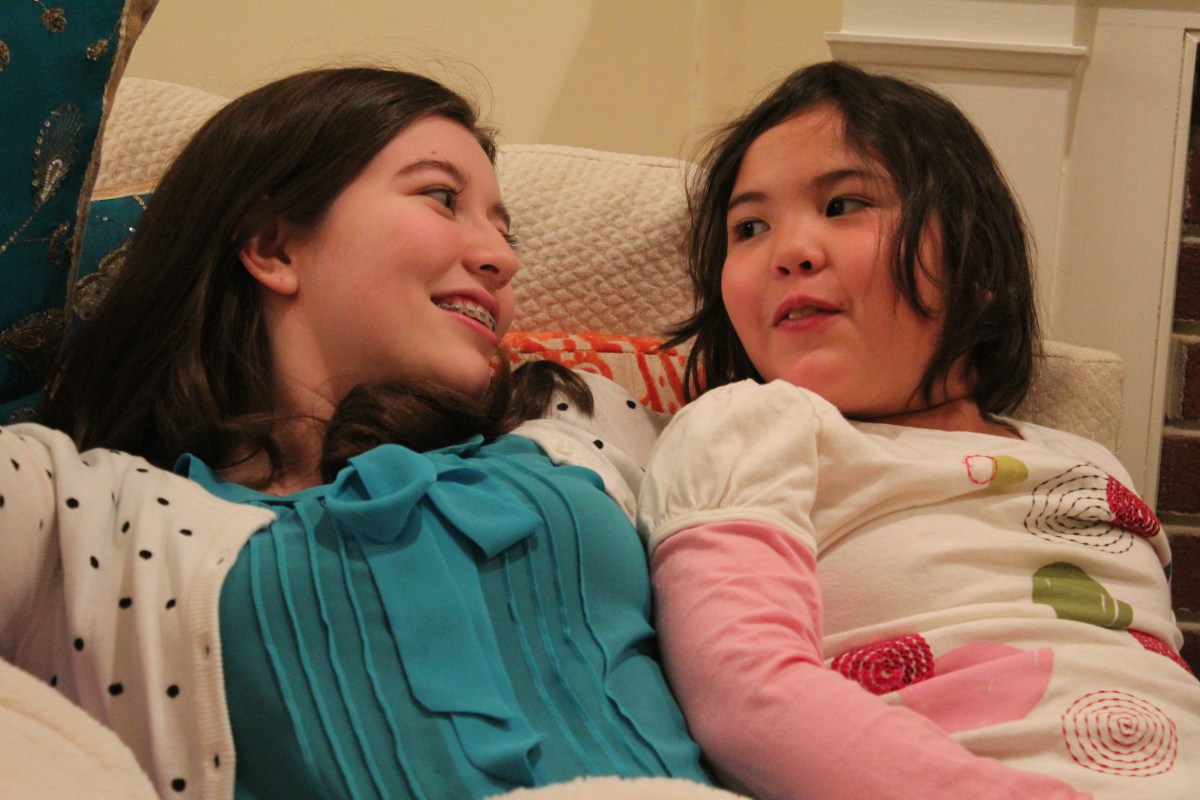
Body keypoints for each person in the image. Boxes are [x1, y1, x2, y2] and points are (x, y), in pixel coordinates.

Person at [1, 67, 729, 800]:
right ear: (274, 247)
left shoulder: (575, 417)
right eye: (442, 198)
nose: (504, 261)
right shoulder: (83, 509)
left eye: (506, 232)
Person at [638, 61, 1200, 800]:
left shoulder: (1085, 457)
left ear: (976, 266)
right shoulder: (745, 427)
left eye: (843, 204)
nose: (790, 250)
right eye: (750, 228)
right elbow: (747, 700)